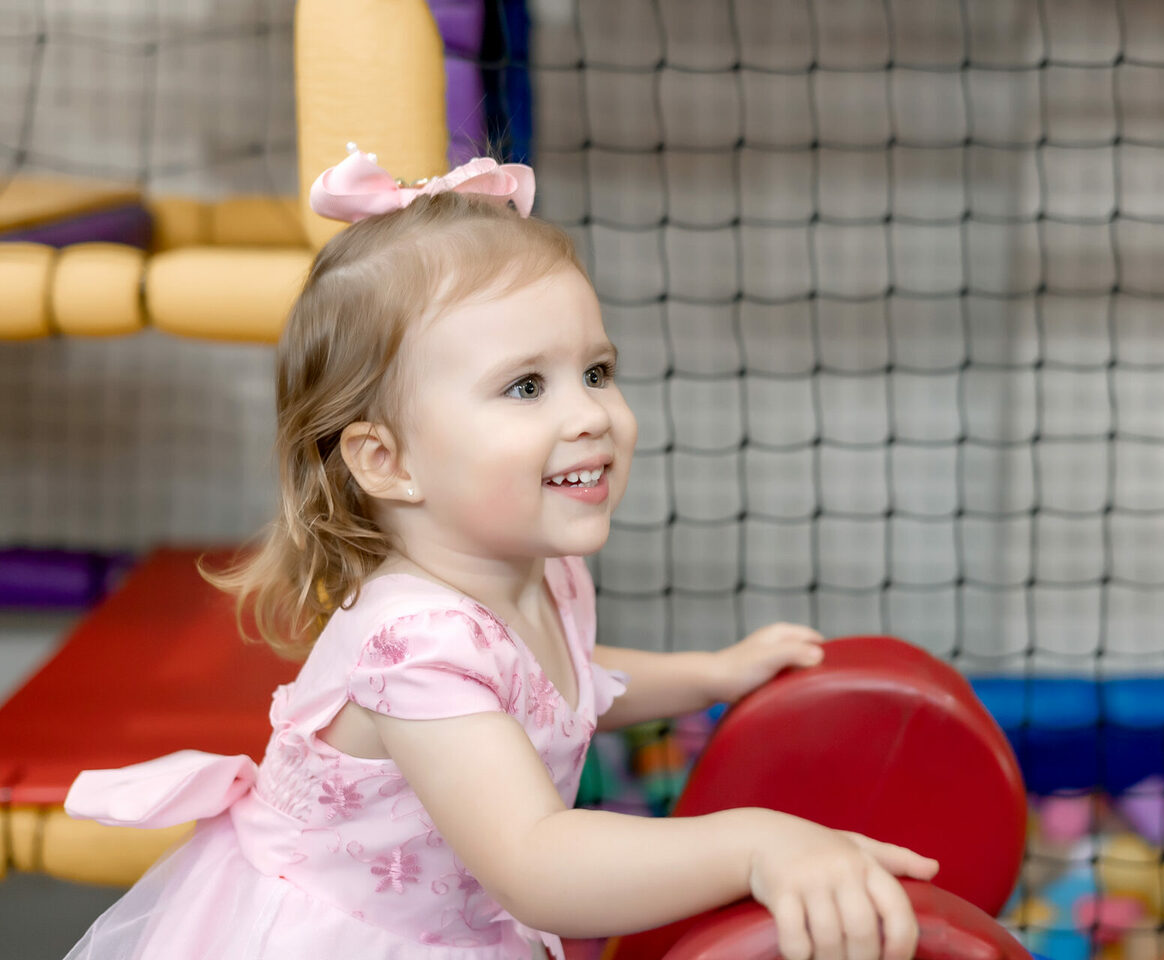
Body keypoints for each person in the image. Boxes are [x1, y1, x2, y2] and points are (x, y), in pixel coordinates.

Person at [62, 145, 940, 960]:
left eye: (596, 372)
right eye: (526, 386)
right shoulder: (414, 647)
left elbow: (556, 686)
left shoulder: (535, 569)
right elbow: (536, 864)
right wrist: (756, 845)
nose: (589, 413)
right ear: (388, 461)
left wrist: (708, 675)